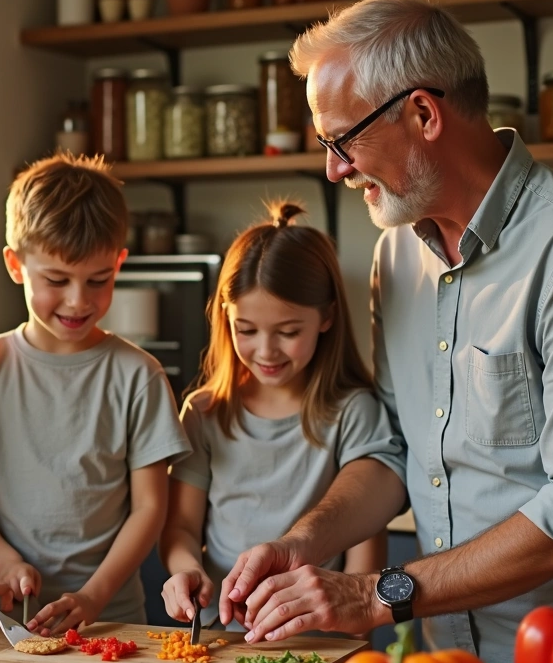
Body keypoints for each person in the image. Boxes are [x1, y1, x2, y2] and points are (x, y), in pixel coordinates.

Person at [219, 0, 553, 663]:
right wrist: (302, 543)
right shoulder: (397, 255)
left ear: (423, 113)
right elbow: (398, 454)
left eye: (343, 140)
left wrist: (377, 595)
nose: (333, 169)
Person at [0, 154, 190, 635]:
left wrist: (96, 595)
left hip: (107, 620)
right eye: (56, 280)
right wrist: (4, 561)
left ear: (120, 262)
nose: (79, 300)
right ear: (16, 265)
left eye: (99, 280)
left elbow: (150, 507)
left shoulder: (140, 375)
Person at [159, 202, 399, 628]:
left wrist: (350, 644)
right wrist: (185, 570)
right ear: (224, 317)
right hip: (222, 634)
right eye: (246, 330)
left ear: (326, 317)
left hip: (318, 641)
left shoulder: (354, 413)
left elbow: (364, 562)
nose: (266, 351)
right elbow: (180, 528)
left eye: (288, 332)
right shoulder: (204, 412)